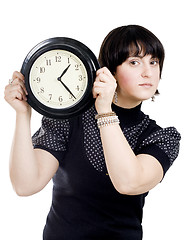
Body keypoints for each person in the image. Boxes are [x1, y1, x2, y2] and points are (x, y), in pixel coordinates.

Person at [4, 25, 181, 240]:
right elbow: (25, 185)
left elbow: (129, 182)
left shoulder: (162, 138)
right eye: (134, 62)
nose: (148, 72)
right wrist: (22, 115)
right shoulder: (69, 119)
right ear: (110, 70)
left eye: (154, 62)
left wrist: (104, 111)